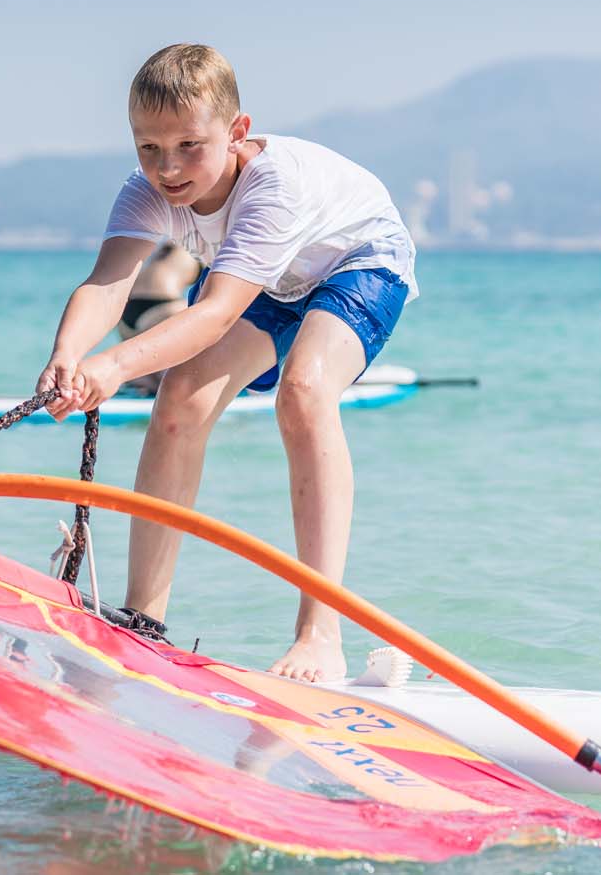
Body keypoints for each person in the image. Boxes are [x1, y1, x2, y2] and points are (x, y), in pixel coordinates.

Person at [36, 44, 416, 682]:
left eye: (189, 145)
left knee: (304, 390)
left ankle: (321, 634)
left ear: (237, 133)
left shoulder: (274, 189)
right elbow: (108, 283)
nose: (168, 168)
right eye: (148, 147)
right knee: (181, 396)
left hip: (359, 261)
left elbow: (213, 314)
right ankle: (143, 621)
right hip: (271, 281)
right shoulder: (145, 193)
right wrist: (68, 355)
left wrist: (116, 366)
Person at [116, 241, 200, 396]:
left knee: (143, 367)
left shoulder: (165, 249)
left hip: (126, 311)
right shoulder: (201, 247)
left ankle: (141, 384)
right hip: (163, 306)